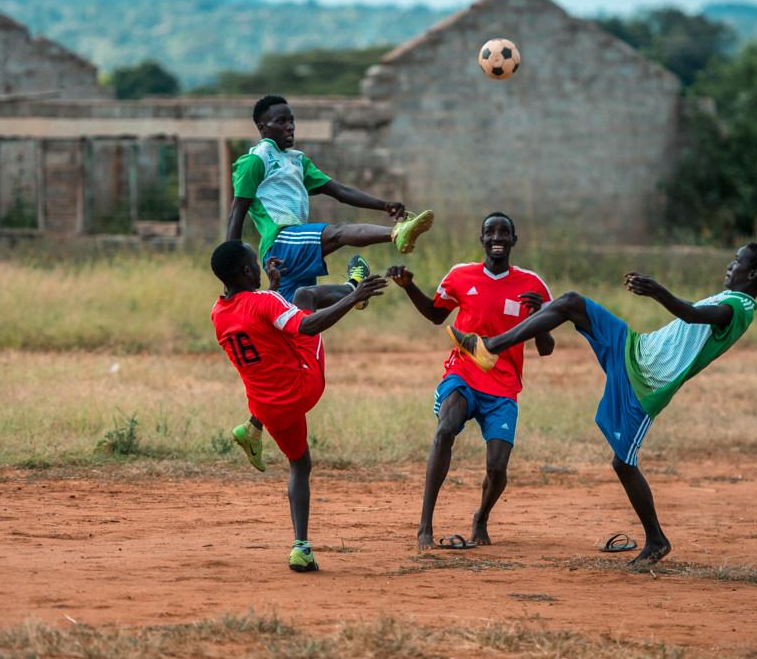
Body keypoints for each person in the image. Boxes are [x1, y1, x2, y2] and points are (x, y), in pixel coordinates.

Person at [447, 243, 757, 566]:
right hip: (634, 348)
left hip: (645, 381)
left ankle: (656, 540)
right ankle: (491, 346)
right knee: (570, 302)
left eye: (737, 260)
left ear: (751, 274)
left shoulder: (739, 309)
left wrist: (657, 291)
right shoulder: (732, 299)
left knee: (623, 464)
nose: (730, 264)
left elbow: (692, 315)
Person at [226, 94, 432, 465]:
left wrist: (382, 204)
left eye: (292, 120)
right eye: (280, 121)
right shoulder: (256, 160)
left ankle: (253, 428)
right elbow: (237, 211)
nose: (289, 126)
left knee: (294, 330)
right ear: (262, 126)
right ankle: (395, 236)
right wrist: (229, 268)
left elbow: (338, 190)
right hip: (281, 240)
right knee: (336, 233)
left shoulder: (297, 161)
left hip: (292, 251)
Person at [210, 239, 388, 572]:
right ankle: (353, 283)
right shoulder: (264, 301)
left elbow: (258, 321)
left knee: (300, 464)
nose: (264, 268)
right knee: (305, 296)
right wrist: (353, 297)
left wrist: (274, 289)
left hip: (268, 407)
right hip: (303, 386)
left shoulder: (218, 313)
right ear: (249, 271)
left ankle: (301, 548)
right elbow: (307, 325)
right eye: (257, 263)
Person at [386, 212, 553, 551]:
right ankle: (425, 526)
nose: (497, 237)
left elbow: (546, 349)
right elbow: (436, 315)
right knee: (445, 428)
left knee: (497, 468)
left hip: (504, 387)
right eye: (490, 231)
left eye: (504, 232)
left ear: (513, 240)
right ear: (481, 239)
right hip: (462, 372)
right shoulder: (460, 276)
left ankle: (481, 517)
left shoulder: (533, 285)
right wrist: (408, 287)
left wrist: (540, 319)